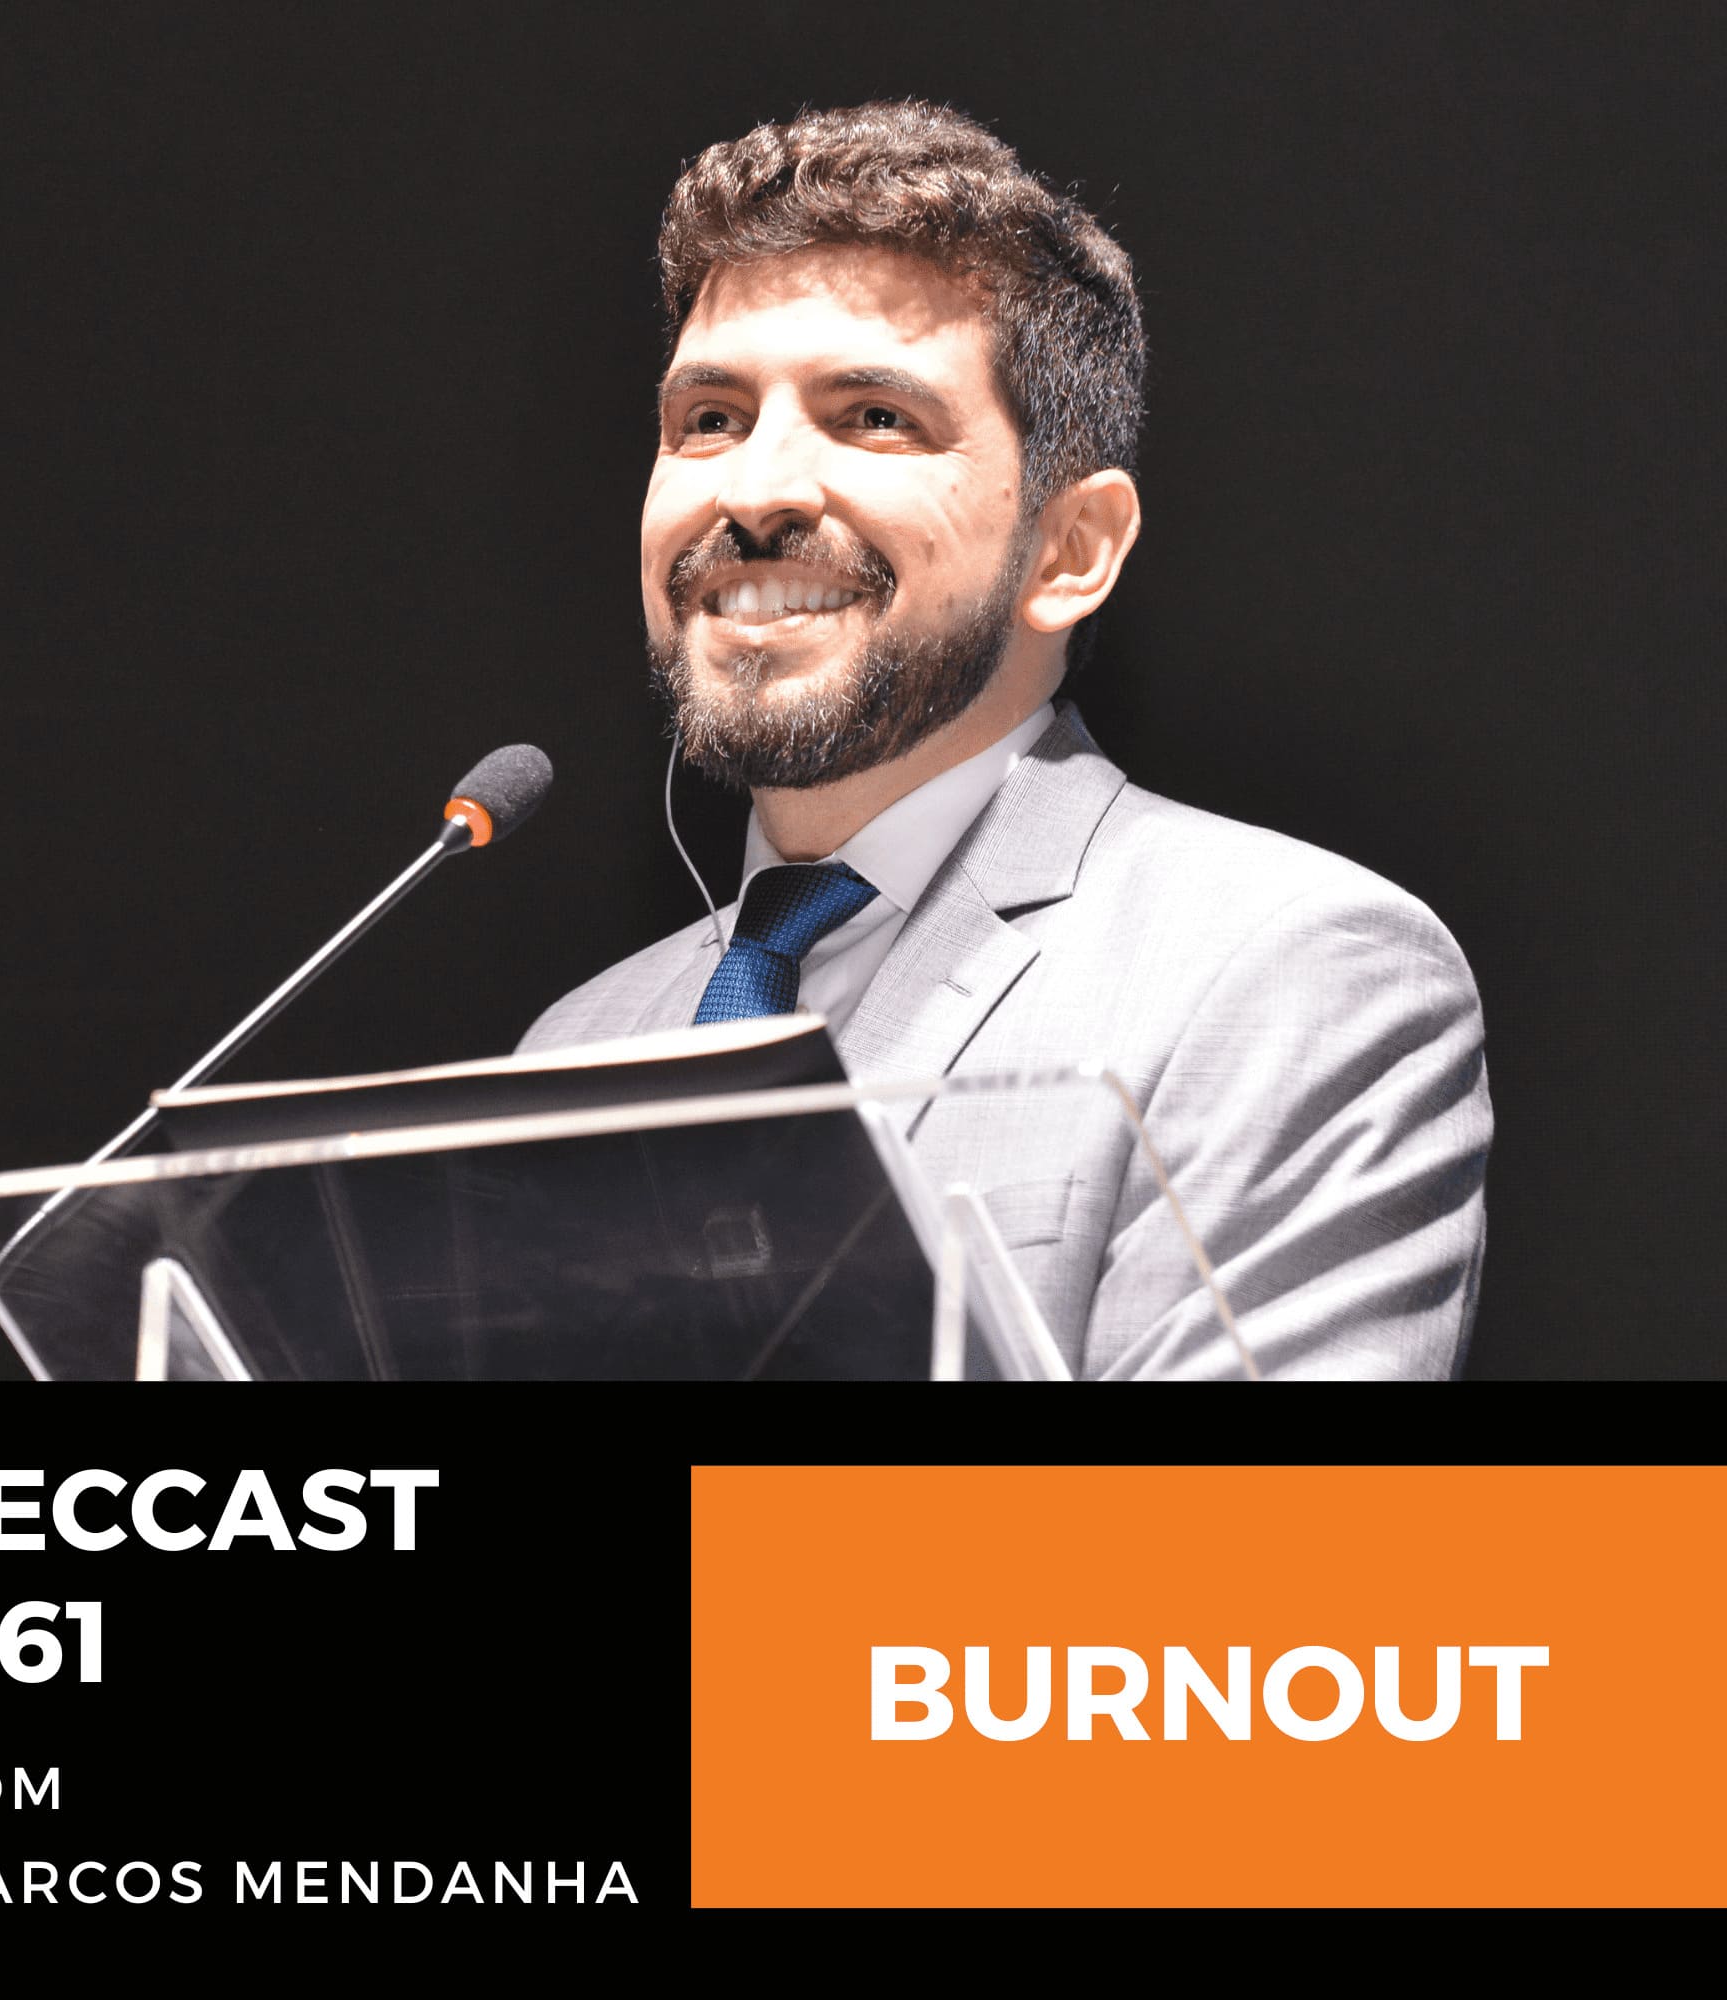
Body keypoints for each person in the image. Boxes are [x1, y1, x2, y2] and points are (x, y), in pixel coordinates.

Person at [518, 102, 1491, 1380]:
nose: (750, 491)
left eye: (873, 416)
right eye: (708, 418)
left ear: (1069, 549)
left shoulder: (1287, 970)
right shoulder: (573, 1046)